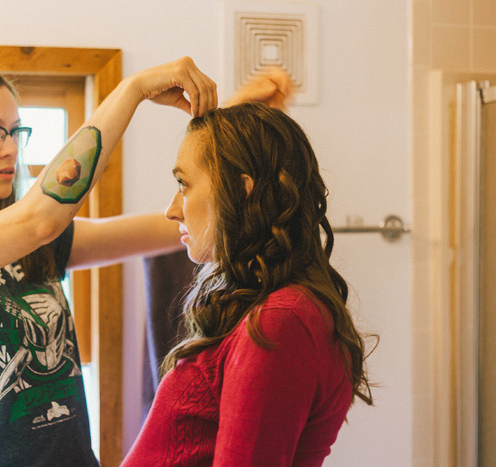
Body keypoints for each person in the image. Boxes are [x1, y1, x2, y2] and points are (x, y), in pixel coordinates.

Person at [0, 57, 220, 466]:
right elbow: (40, 219)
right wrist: (133, 90)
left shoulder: (36, 243)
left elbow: (176, 226)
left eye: (14, 131)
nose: (10, 148)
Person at [122, 102, 374, 466]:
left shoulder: (281, 321)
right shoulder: (268, 309)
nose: (172, 209)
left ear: (241, 192)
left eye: (183, 185)